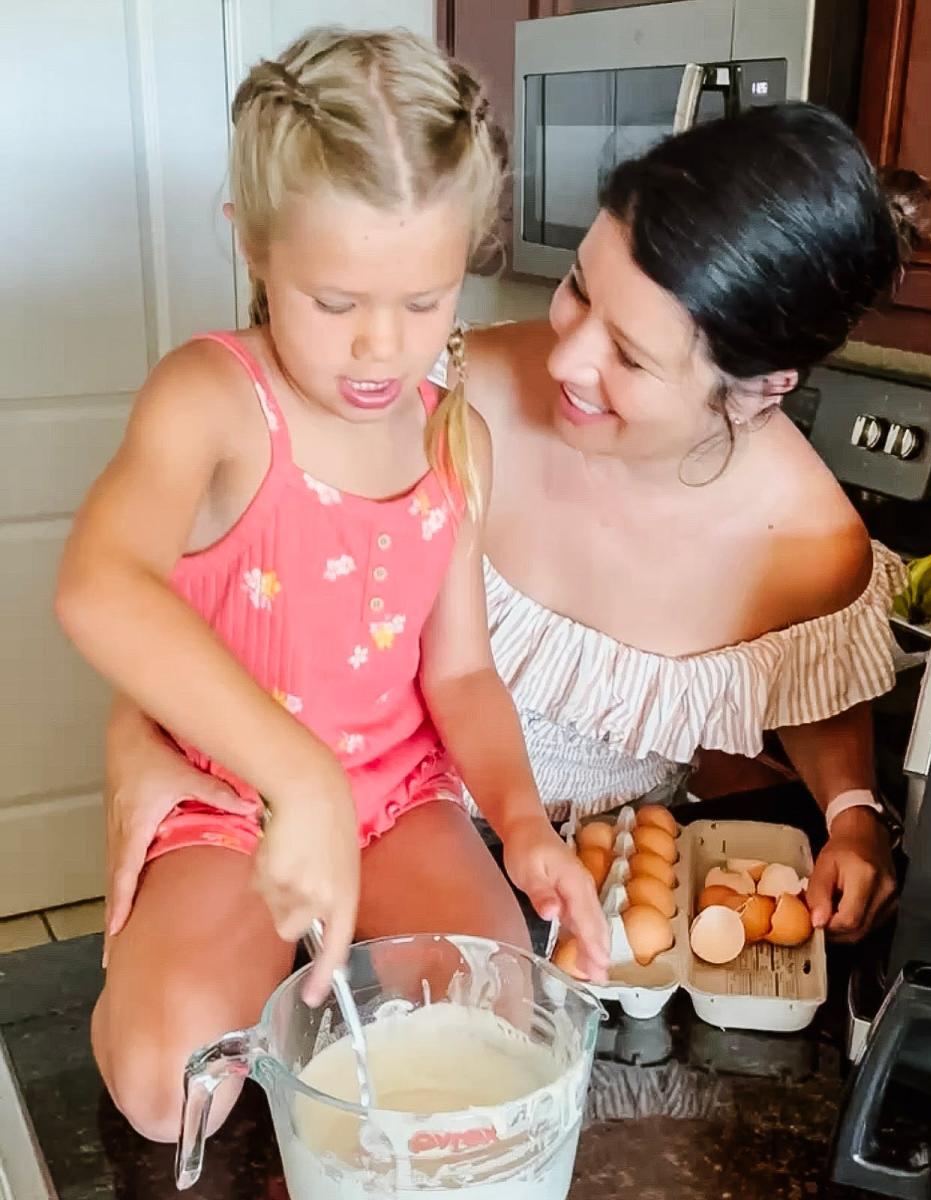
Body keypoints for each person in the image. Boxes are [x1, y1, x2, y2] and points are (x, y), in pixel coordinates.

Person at [110, 105, 909, 969]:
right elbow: (221, 578)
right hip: (334, 840)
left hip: (584, 899)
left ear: (761, 389)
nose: (567, 361)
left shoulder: (810, 544)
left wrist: (853, 817)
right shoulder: (429, 387)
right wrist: (134, 741)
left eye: (632, 359)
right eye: (578, 286)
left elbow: (806, 675)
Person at [55, 27, 609, 1144]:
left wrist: (521, 818)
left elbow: (459, 673)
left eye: (424, 301)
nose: (379, 348)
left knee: (492, 1048)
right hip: (228, 801)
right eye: (335, 299)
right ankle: (252, 979)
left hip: (400, 800)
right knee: (176, 1094)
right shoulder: (210, 398)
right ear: (253, 247)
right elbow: (98, 587)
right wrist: (296, 778)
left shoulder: (454, 437)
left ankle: (321, 988)